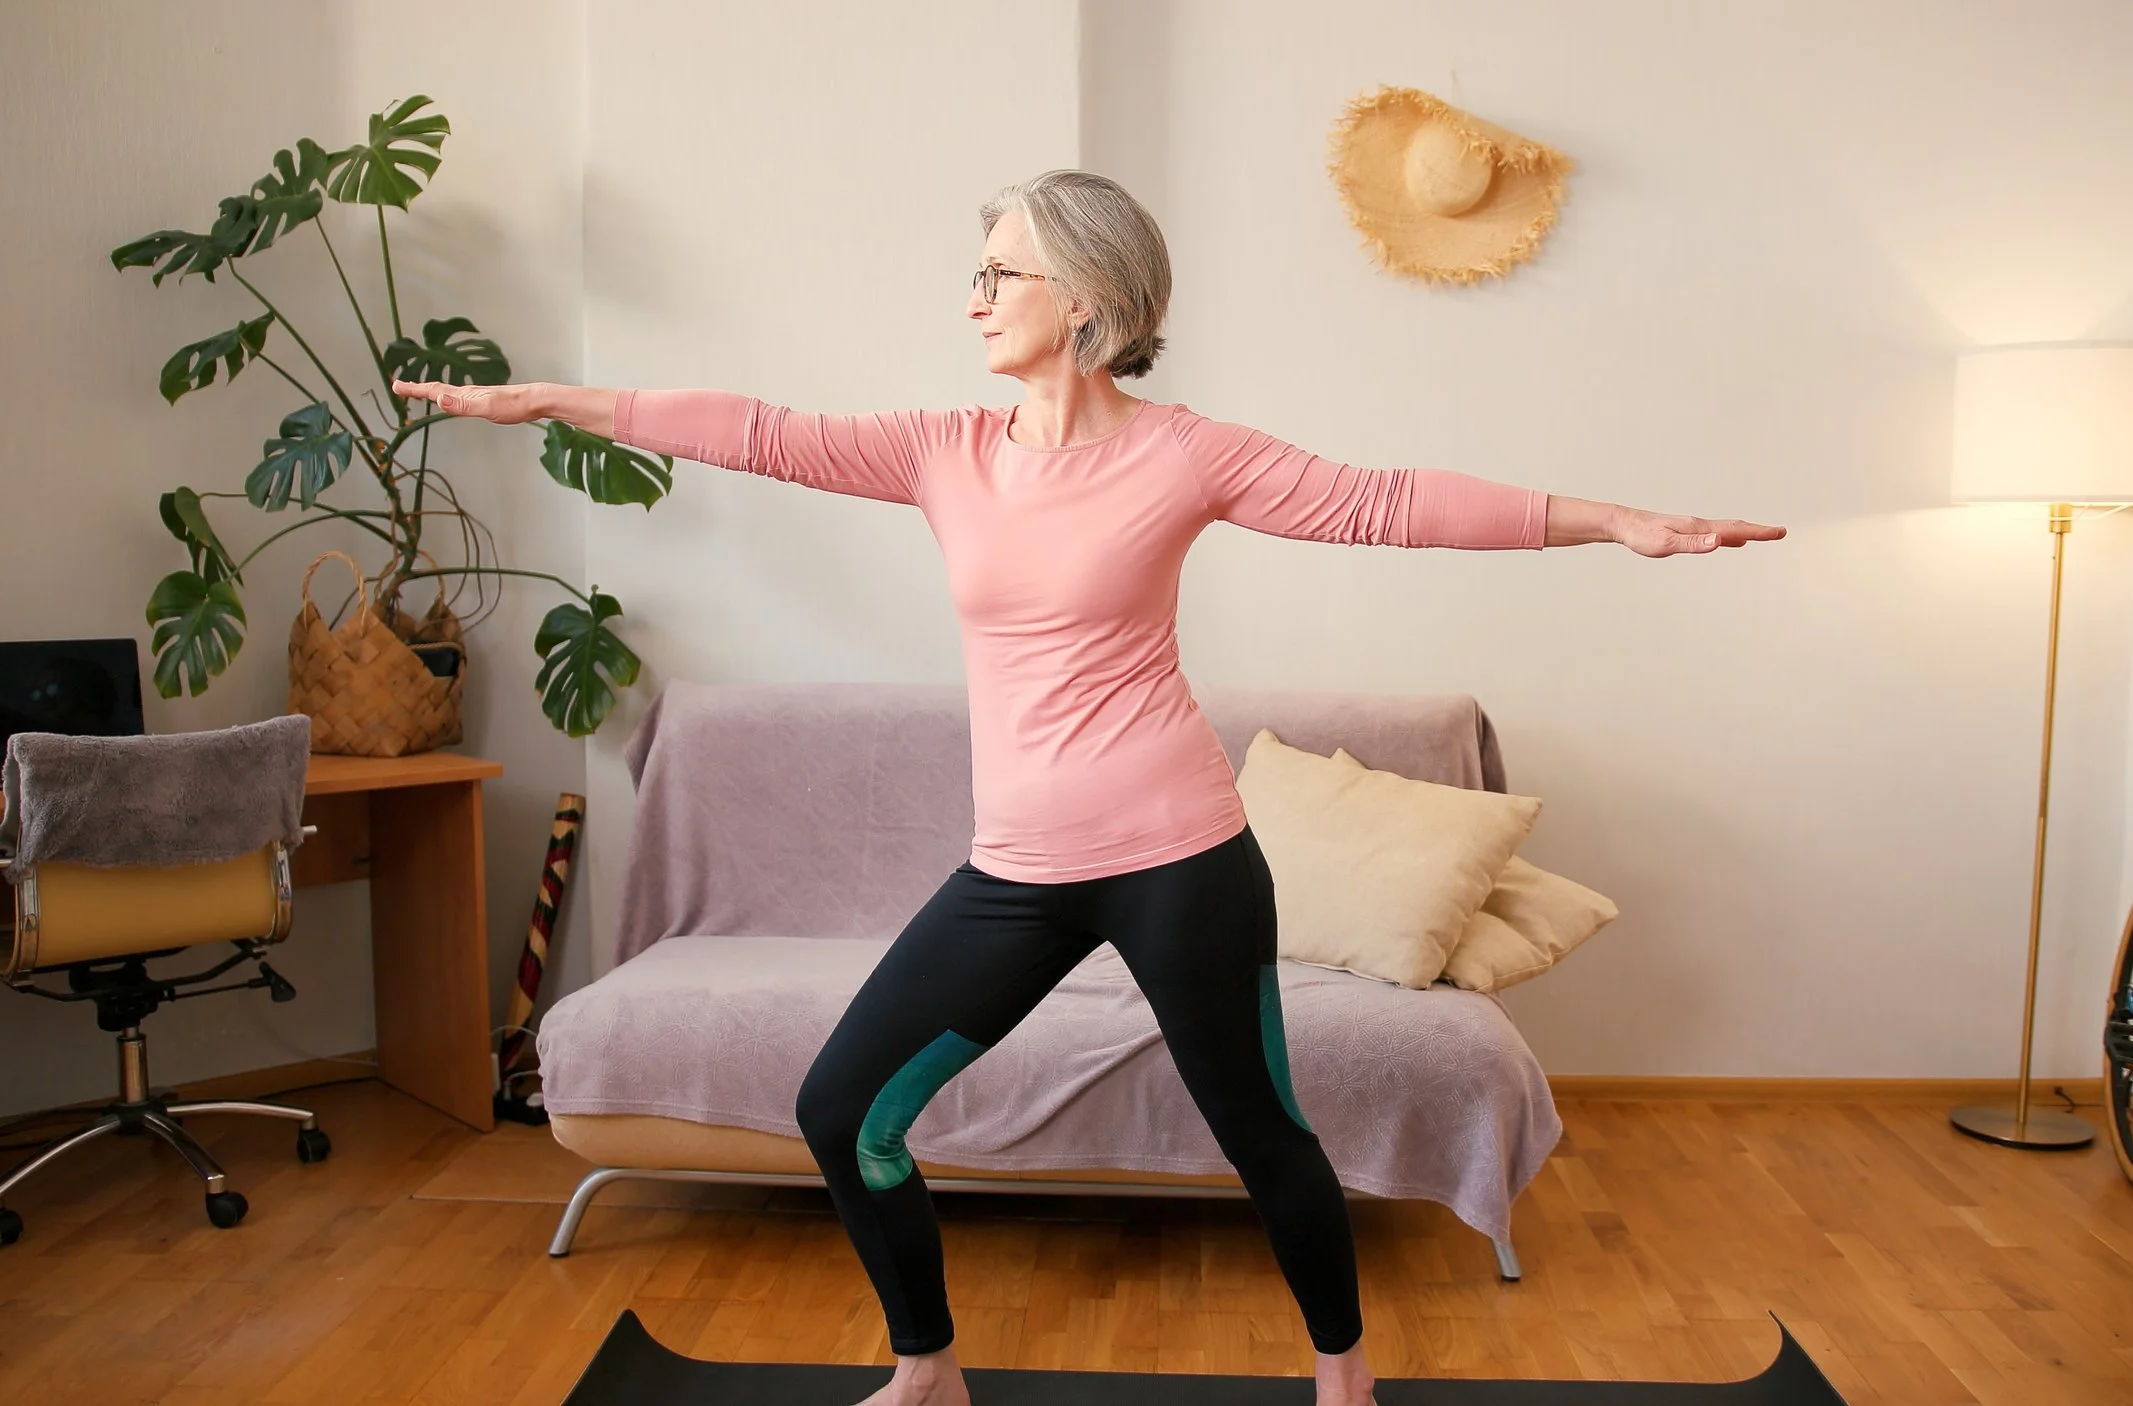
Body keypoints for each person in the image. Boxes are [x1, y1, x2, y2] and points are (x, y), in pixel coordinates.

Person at [396, 169, 1783, 1406]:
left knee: (1262, 1131)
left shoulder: (1182, 454)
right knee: (844, 1110)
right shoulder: (943, 450)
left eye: (1001, 272)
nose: (975, 299)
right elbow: (758, 428)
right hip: (1016, 874)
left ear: (1089, 298)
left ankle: (1342, 1375)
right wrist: (548, 400)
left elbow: (1386, 499)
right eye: (979, 272)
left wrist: (1609, 520)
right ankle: (927, 1363)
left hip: (1183, 859)